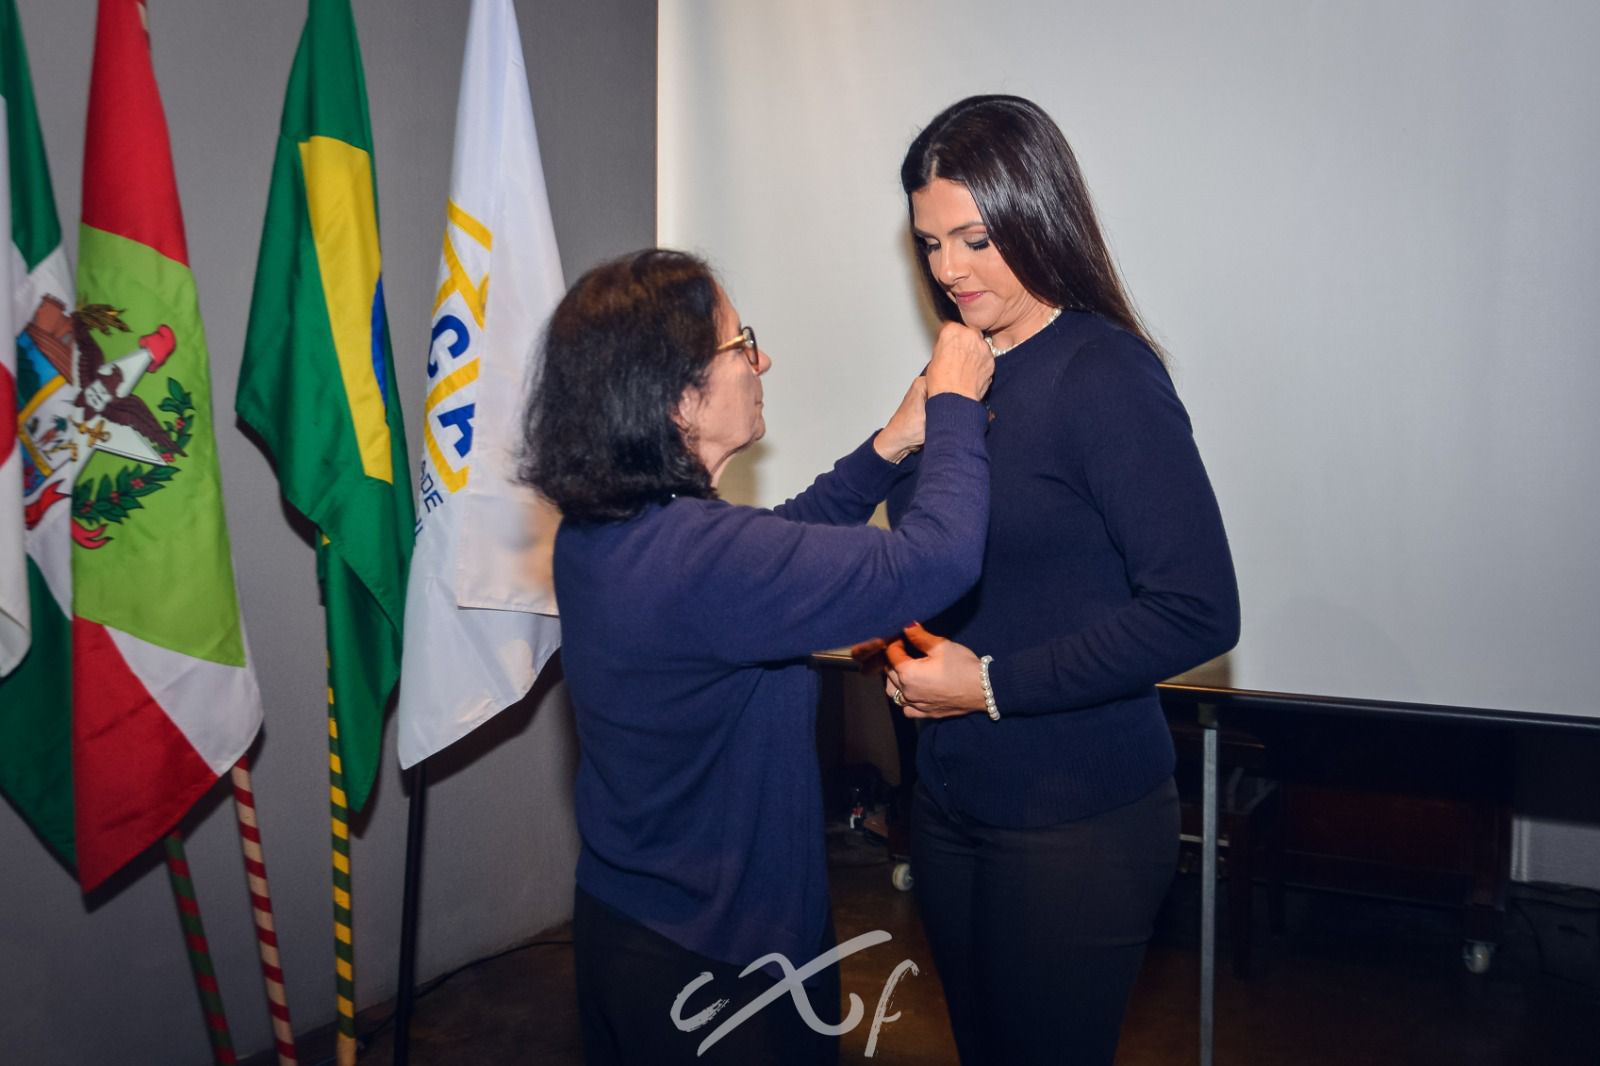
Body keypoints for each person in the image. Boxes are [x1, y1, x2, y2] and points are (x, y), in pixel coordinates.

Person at [521, 248, 994, 1065]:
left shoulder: (612, 529)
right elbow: (940, 557)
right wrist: (954, 406)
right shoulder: (704, 562)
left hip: (629, 927)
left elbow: (777, 545)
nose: (760, 358)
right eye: (741, 345)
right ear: (678, 396)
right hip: (723, 961)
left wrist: (889, 447)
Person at [878, 95, 1241, 1064]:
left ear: (1039, 215)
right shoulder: (955, 371)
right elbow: (933, 546)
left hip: (1076, 816)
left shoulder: (1102, 373)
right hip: (951, 803)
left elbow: (1198, 608)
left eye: (975, 238)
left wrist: (988, 684)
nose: (948, 269)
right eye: (929, 244)